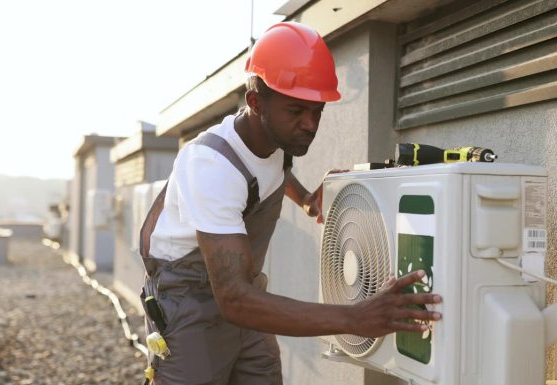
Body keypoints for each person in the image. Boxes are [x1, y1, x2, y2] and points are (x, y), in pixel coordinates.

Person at [139, 21, 443, 385]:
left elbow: (275, 170)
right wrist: (354, 318)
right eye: (296, 111)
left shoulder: (272, 140)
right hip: (192, 306)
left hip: (245, 296)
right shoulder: (212, 167)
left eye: (317, 112)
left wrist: (307, 200)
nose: (310, 125)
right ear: (255, 102)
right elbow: (234, 299)